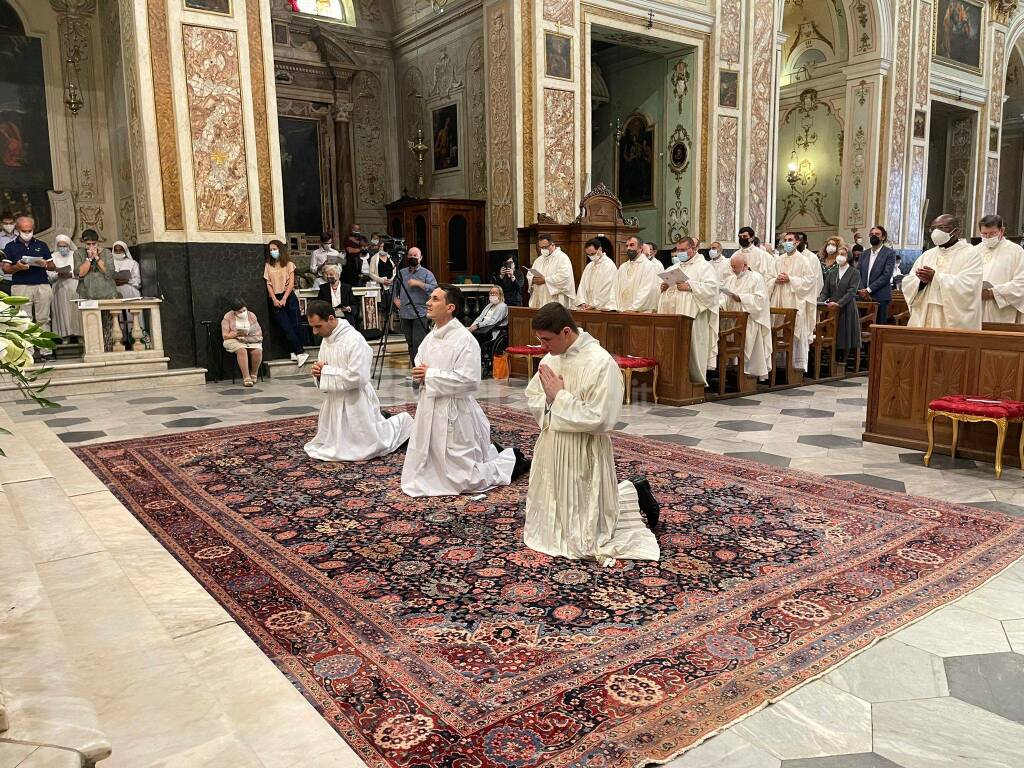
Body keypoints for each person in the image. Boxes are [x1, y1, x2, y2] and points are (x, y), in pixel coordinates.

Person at [523, 302, 661, 566]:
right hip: (554, 443)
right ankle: (634, 490)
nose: (543, 346)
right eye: (540, 340)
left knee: (585, 530)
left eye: (547, 339)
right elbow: (533, 395)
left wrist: (559, 398)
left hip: (583, 447)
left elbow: (602, 418)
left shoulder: (600, 363)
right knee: (556, 504)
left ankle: (633, 492)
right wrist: (551, 401)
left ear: (566, 332)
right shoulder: (551, 358)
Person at [401, 285, 529, 497]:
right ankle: (492, 452)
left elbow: (470, 381)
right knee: (425, 468)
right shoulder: (430, 338)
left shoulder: (465, 340)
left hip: (455, 411)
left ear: (450, 307)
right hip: (430, 407)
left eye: (435, 299)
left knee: (464, 480)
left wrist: (430, 375)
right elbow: (420, 365)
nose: (428, 303)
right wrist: (420, 375)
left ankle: (511, 461)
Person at [304, 299, 413, 462]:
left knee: (367, 446)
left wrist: (326, 372)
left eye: (318, 326)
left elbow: (359, 377)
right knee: (332, 445)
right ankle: (383, 418)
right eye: (312, 326)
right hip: (335, 400)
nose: (314, 332)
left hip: (356, 400)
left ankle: (403, 423)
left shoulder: (354, 340)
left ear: (331, 319)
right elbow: (324, 371)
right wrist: (318, 374)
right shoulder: (326, 342)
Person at [901, 214, 983, 330]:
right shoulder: (927, 255)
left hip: (950, 317)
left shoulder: (970, 254)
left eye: (942, 228)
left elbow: (970, 285)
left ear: (956, 231)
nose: (936, 232)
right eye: (933, 228)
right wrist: (921, 282)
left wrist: (936, 277)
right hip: (925, 312)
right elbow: (909, 281)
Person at [658, 236, 719, 386]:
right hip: (673, 313)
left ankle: (693, 381)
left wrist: (690, 286)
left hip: (694, 316)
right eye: (678, 250)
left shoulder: (704, 267)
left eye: (683, 250)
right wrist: (664, 286)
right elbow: (664, 285)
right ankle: (670, 378)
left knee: (691, 348)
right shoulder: (673, 268)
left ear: (693, 249)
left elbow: (712, 289)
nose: (680, 253)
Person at [2, 215, 54, 356]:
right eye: (24, 231)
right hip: (20, 286)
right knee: (24, 320)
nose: (28, 233)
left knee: (44, 319)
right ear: (18, 230)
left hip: (42, 284)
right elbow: (5, 268)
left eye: (30, 230)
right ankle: (27, 353)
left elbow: (52, 266)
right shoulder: (10, 246)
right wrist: (17, 267)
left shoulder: (41, 245)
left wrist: (45, 264)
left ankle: (46, 352)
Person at [771, 231, 821, 373]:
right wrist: (775, 279)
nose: (787, 242)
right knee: (778, 330)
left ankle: (794, 367)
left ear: (797, 242)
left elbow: (810, 281)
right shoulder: (778, 260)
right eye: (785, 240)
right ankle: (779, 366)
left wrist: (791, 279)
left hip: (795, 301)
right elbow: (769, 277)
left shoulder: (803, 260)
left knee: (794, 331)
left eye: (790, 240)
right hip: (779, 299)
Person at [720, 252, 773, 380]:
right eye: (732, 266)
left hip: (750, 321)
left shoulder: (756, 278)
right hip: (732, 320)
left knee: (748, 346)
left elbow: (760, 300)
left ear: (745, 266)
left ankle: (748, 374)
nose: (733, 269)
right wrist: (721, 305)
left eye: (736, 267)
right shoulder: (730, 279)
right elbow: (723, 297)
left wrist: (742, 298)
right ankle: (733, 372)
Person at [263, 240, 308, 367]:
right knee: (285, 326)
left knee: (294, 324)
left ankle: (298, 351)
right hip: (275, 297)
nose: (273, 252)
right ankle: (297, 351)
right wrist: (274, 299)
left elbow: (291, 283)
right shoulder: (268, 266)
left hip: (289, 296)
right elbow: (268, 283)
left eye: (275, 249)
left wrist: (284, 298)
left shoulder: (289, 264)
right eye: (270, 250)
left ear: (280, 249)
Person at [393, 246, 436, 368]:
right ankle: (414, 367)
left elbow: (434, 289)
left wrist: (419, 283)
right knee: (410, 343)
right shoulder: (401, 272)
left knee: (418, 343)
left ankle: (421, 367)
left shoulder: (427, 273)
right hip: (404, 313)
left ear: (420, 258)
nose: (412, 258)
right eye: (410, 255)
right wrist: (395, 299)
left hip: (420, 312)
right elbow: (393, 287)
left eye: (415, 256)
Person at [976, 214, 1024, 323]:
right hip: (976, 306)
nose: (988, 237)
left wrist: (994, 292)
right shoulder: (974, 251)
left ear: (1001, 231)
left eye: (992, 233)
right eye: (984, 234)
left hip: (1001, 310)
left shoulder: (1016, 251)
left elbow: (1021, 283)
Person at [818, 246, 861, 366]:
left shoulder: (854, 272)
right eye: (839, 254)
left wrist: (839, 303)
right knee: (832, 332)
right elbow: (825, 291)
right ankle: (831, 360)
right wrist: (821, 302)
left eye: (843, 254)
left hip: (846, 306)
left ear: (849, 257)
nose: (840, 257)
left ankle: (842, 361)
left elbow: (852, 291)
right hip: (831, 307)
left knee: (844, 334)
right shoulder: (832, 273)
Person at [857, 225, 897, 325]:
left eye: (877, 234)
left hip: (880, 296)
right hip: (863, 297)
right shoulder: (864, 254)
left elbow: (886, 275)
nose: (873, 236)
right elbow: (858, 273)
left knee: (878, 328)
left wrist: (868, 290)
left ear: (883, 237)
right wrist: (862, 290)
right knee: (861, 327)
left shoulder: (889, 253)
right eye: (872, 234)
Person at [221, 298, 264, 387]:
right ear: (234, 312)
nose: (243, 313)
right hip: (233, 340)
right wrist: (236, 334)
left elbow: (259, 333)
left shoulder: (251, 315)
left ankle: (254, 374)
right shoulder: (227, 317)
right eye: (239, 312)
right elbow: (225, 335)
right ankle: (246, 377)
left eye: (244, 310)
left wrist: (248, 337)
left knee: (257, 350)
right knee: (241, 350)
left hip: (249, 339)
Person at [48, 234, 81, 342]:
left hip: (74, 286)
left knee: (76, 311)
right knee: (62, 312)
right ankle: (64, 336)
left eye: (65, 246)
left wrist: (71, 274)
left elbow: (82, 271)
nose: (63, 248)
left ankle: (80, 335)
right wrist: (58, 275)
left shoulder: (76, 255)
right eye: (60, 246)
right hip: (59, 288)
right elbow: (49, 274)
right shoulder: (53, 256)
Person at [527, 234, 576, 308]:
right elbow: (530, 274)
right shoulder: (539, 260)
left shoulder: (562, 258)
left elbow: (564, 277)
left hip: (555, 299)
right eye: (541, 247)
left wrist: (545, 280)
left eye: (545, 247)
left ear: (552, 244)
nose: (543, 250)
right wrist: (532, 279)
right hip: (540, 297)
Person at [615, 235, 660, 312]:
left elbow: (646, 290)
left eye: (632, 245)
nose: (628, 248)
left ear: (640, 248)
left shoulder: (648, 266)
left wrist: (633, 308)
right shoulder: (623, 267)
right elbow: (616, 288)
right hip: (622, 311)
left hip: (640, 312)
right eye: (627, 246)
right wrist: (616, 307)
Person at [74, 228, 118, 300]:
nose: (91, 246)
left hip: (107, 293)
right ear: (83, 243)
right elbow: (80, 273)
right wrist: (89, 258)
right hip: (86, 293)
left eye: (94, 244)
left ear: (97, 242)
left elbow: (109, 272)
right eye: (88, 244)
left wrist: (97, 257)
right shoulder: (78, 253)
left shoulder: (106, 253)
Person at [576, 238, 618, 311]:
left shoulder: (609, 265)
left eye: (593, 254)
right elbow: (582, 285)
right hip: (587, 306)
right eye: (588, 255)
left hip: (602, 307)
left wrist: (594, 304)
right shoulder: (589, 266)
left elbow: (607, 289)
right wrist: (582, 302)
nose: (591, 257)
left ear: (600, 249)